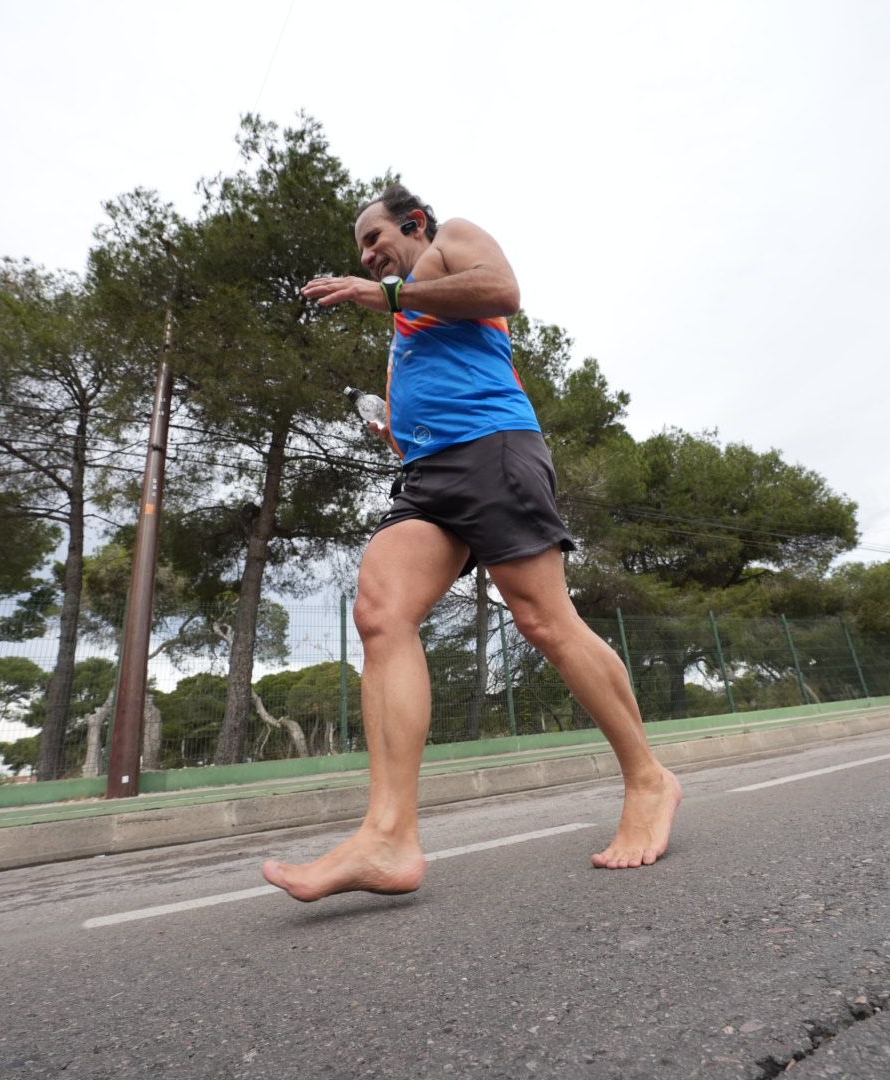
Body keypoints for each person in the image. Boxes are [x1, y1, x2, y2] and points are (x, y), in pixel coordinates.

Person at [261, 184, 681, 903]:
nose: (367, 255)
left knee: (544, 619)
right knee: (380, 612)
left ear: (414, 224)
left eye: (375, 238)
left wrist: (386, 294)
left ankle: (649, 779)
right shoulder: (407, 323)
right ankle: (388, 838)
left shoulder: (452, 238)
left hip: (493, 447)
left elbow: (503, 290)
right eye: (361, 249)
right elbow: (435, 368)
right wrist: (392, 420)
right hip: (426, 474)